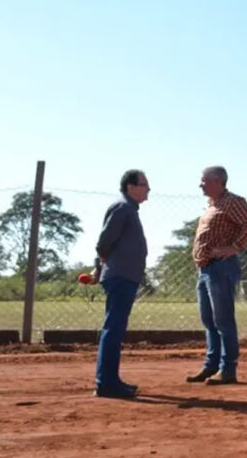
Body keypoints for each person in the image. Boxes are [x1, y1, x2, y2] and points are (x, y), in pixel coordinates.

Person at [186, 166, 247, 385]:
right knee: (209, 320)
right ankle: (211, 366)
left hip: (221, 267)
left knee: (223, 320)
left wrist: (235, 246)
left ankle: (228, 369)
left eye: (203, 181)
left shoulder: (232, 202)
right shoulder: (213, 205)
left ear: (217, 181)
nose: (200, 184)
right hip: (206, 269)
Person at [93, 169, 150, 398]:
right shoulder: (122, 208)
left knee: (115, 329)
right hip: (120, 276)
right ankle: (106, 382)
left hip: (124, 276)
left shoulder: (129, 209)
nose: (148, 189)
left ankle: (110, 379)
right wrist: (101, 266)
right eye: (144, 184)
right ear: (130, 187)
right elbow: (104, 241)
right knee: (113, 329)